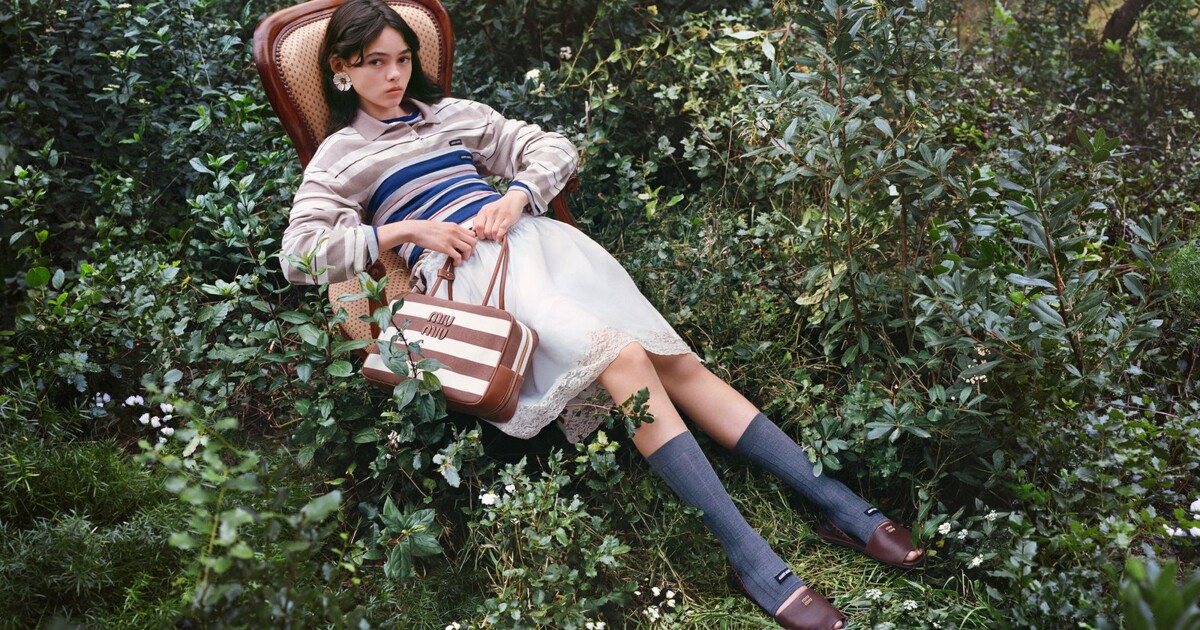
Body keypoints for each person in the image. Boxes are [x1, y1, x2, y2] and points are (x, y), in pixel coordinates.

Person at [278, 1, 923, 627]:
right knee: (625, 357)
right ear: (341, 68)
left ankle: (837, 503)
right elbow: (299, 256)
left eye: (402, 59)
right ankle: (748, 555)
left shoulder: (451, 115)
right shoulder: (341, 154)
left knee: (677, 365)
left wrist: (517, 195)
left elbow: (552, 146)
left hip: (545, 248)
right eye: (375, 63)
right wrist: (402, 232)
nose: (394, 75)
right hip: (479, 282)